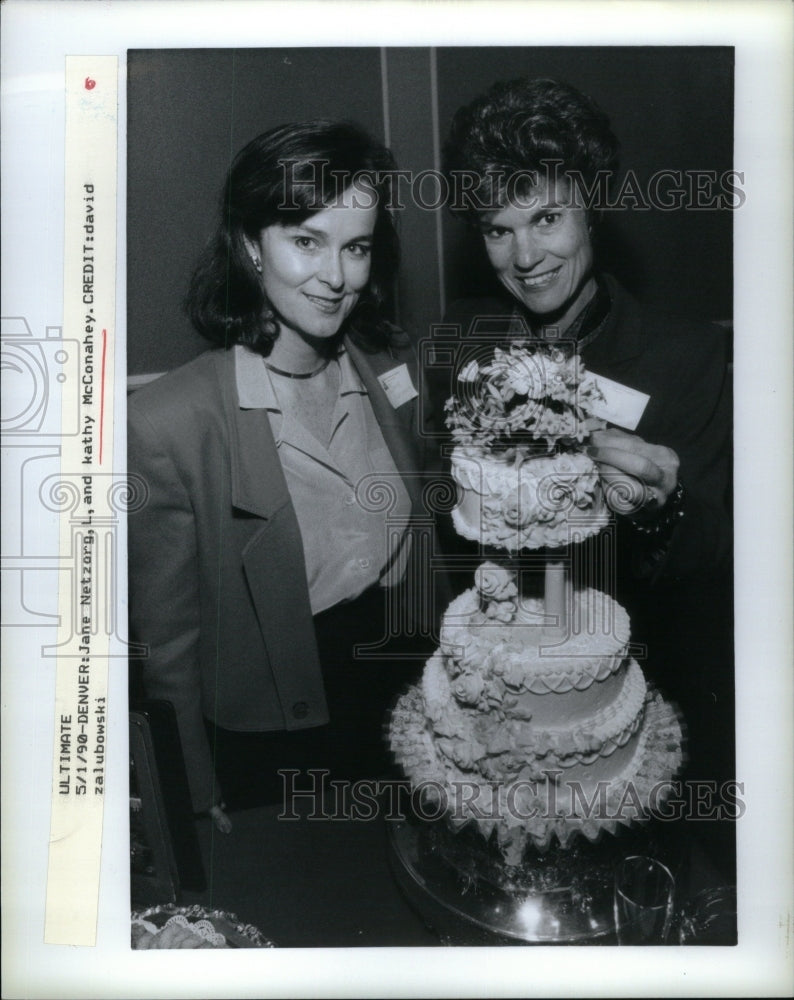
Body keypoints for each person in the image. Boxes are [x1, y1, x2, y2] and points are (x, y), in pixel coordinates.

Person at [438, 79, 734, 844]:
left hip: (623, 725)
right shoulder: (463, 347)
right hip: (493, 704)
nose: (525, 256)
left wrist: (661, 507)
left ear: (591, 207)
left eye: (546, 218)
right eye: (498, 230)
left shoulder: (686, 355)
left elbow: (710, 558)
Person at [128, 120, 438, 833]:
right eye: (306, 241)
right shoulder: (169, 424)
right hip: (284, 732)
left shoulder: (394, 369)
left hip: (415, 693)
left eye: (355, 247)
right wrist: (193, 795)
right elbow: (169, 649)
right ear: (248, 246)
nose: (336, 277)